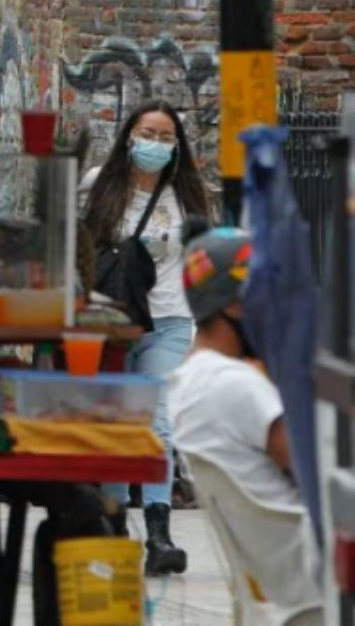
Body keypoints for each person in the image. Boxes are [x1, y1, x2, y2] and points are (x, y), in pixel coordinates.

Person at [80, 99, 211, 575]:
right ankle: (115, 525)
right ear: (128, 136)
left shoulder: (188, 199)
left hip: (170, 323)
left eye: (164, 136)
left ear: (177, 147)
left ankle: (158, 531)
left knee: (157, 422)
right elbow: (80, 249)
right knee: (117, 424)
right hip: (113, 323)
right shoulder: (99, 187)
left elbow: (202, 264)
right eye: (146, 133)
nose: (154, 144)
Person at [167, 227, 322, 622]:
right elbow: (316, 469)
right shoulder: (236, 386)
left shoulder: (191, 379)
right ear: (233, 306)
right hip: (315, 574)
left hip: (280, 581)